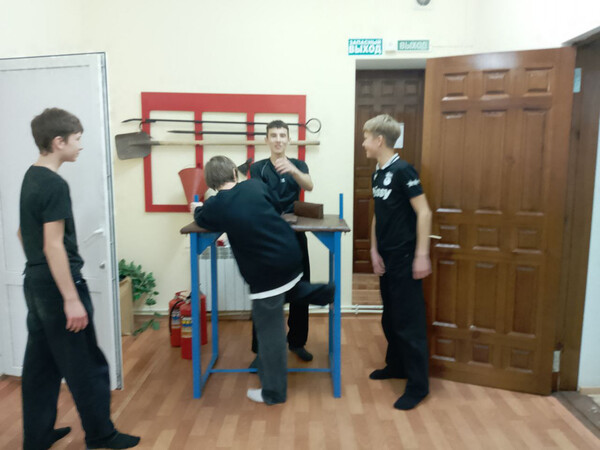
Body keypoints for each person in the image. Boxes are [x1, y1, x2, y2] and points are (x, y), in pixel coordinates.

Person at [18, 108, 140, 449]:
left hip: (35, 282)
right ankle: (101, 435)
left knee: (41, 367)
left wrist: (39, 269)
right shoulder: (54, 184)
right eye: (77, 139)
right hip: (58, 288)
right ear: (59, 142)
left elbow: (23, 233)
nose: (80, 145)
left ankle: (37, 438)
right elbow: (53, 244)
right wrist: (70, 299)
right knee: (86, 364)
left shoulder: (31, 176)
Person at [191, 156, 333, 405]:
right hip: (291, 256)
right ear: (235, 173)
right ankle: (323, 293)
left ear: (211, 184)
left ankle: (273, 392)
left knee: (270, 334)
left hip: (265, 272)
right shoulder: (256, 186)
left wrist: (196, 208)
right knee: (289, 289)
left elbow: (202, 217)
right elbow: (277, 206)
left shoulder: (216, 205)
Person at [363, 114, 432, 411]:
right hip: (386, 256)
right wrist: (374, 250)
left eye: (366, 138)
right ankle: (396, 366)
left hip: (405, 257)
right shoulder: (377, 173)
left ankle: (418, 386)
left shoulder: (404, 171)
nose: (363, 143)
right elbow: (379, 214)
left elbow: (424, 212)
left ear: (379, 140)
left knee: (408, 322)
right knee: (390, 317)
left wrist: (421, 255)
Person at [249, 120, 314, 362]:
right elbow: (257, 198)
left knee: (301, 290)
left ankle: (297, 342)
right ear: (266, 139)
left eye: (282, 135)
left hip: (295, 235)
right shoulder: (258, 168)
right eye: (274, 135)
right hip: (267, 237)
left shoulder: (299, 165)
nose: (278, 139)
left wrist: (293, 170)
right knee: (264, 294)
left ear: (288, 139)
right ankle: (261, 350)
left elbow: (309, 185)